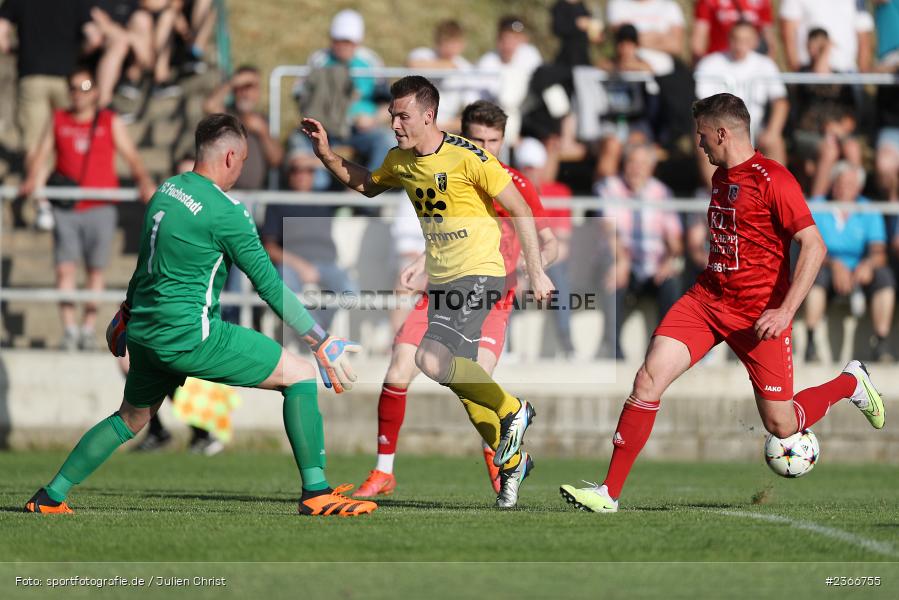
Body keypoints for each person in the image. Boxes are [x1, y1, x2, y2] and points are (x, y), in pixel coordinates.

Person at [24, 113, 374, 517]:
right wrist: (320, 339)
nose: (241, 170)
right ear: (229, 157)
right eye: (242, 161)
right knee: (298, 375)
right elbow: (269, 284)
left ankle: (50, 496)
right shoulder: (227, 212)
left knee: (130, 419)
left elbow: (146, 263)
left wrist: (125, 313)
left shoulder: (168, 190)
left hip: (146, 332)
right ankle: (317, 493)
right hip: (192, 335)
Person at [560, 93, 884, 513]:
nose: (698, 145)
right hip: (706, 302)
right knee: (647, 380)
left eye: (701, 136)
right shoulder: (721, 176)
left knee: (781, 424)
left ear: (721, 133)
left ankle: (851, 383)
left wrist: (785, 310)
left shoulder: (775, 180)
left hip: (760, 317)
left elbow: (814, 246)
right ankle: (608, 493)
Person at [302, 78, 555, 508]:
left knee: (429, 359)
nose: (395, 123)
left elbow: (520, 207)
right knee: (459, 376)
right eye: (391, 115)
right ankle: (513, 457)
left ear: (427, 116)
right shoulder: (401, 160)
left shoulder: (468, 157)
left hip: (481, 274)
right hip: (444, 282)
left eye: (402, 115)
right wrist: (327, 155)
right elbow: (367, 184)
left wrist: (536, 270)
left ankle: (513, 410)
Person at [19, 67, 155, 351]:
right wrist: (33, 180)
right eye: (73, 87)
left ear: (94, 92)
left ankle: (88, 328)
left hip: (100, 207)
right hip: (67, 207)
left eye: (84, 87)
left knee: (96, 270)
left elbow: (131, 155)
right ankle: (69, 328)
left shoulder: (108, 120)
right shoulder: (58, 119)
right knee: (65, 269)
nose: (78, 94)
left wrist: (143, 179)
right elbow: (41, 155)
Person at [596, 143, 683, 360]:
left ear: (651, 167)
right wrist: (622, 260)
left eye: (642, 164)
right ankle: (614, 353)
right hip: (621, 259)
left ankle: (666, 353)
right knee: (613, 276)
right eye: (632, 162)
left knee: (672, 282)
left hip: (653, 265)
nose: (636, 169)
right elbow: (608, 230)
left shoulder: (662, 192)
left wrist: (669, 260)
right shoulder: (608, 187)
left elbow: (675, 240)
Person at [804, 157, 895, 364]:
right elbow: (807, 246)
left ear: (859, 188)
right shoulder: (818, 205)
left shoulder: (868, 209)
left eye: (850, 185)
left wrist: (868, 265)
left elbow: (878, 252)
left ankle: (881, 344)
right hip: (824, 266)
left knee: (884, 276)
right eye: (841, 183)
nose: (845, 189)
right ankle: (810, 344)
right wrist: (834, 264)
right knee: (814, 276)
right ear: (833, 184)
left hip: (857, 272)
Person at [262, 148, 356, 332]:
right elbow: (269, 247)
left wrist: (319, 161)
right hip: (292, 265)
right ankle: (315, 334)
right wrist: (301, 266)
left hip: (327, 264)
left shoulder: (325, 196)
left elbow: (353, 180)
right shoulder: (277, 201)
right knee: (285, 282)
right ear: (288, 173)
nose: (302, 175)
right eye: (296, 169)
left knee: (351, 289)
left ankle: (316, 332)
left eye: (308, 170)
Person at [695, 20, 788, 183]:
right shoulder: (710, 63)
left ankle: (773, 193)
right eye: (736, 39)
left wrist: (772, 131)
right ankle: (718, 196)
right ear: (729, 39)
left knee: (775, 141)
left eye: (746, 40)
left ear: (755, 41)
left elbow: (780, 102)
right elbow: (703, 106)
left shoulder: (765, 64)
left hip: (757, 129)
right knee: (703, 138)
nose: (740, 45)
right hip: (719, 128)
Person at [476, 16, 544, 145]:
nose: (509, 44)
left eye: (514, 38)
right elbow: (497, 100)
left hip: (529, 118)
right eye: (506, 39)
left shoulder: (529, 54)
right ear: (498, 40)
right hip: (493, 121)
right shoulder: (487, 62)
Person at [406, 20, 478, 133]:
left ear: (462, 45)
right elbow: (412, 65)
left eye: (454, 43)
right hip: (415, 125)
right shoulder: (423, 54)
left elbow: (472, 111)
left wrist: (440, 128)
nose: (449, 48)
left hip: (447, 129)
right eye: (446, 42)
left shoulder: (466, 69)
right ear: (437, 42)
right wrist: (448, 66)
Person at [779, 0, 874, 73]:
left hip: (847, 74)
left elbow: (864, 37)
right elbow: (788, 34)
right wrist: (798, 74)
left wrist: (862, 76)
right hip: (810, 76)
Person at [692, 0, 776, 62]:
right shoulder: (709, 2)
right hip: (720, 61)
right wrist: (701, 64)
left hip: (751, 63)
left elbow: (768, 38)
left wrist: (766, 65)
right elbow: (699, 37)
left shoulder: (762, 2)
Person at [606, 0, 685, 57]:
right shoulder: (617, 3)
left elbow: (676, 46)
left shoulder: (669, 5)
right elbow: (625, 37)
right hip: (629, 67)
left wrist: (635, 38)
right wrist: (659, 37)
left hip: (664, 71)